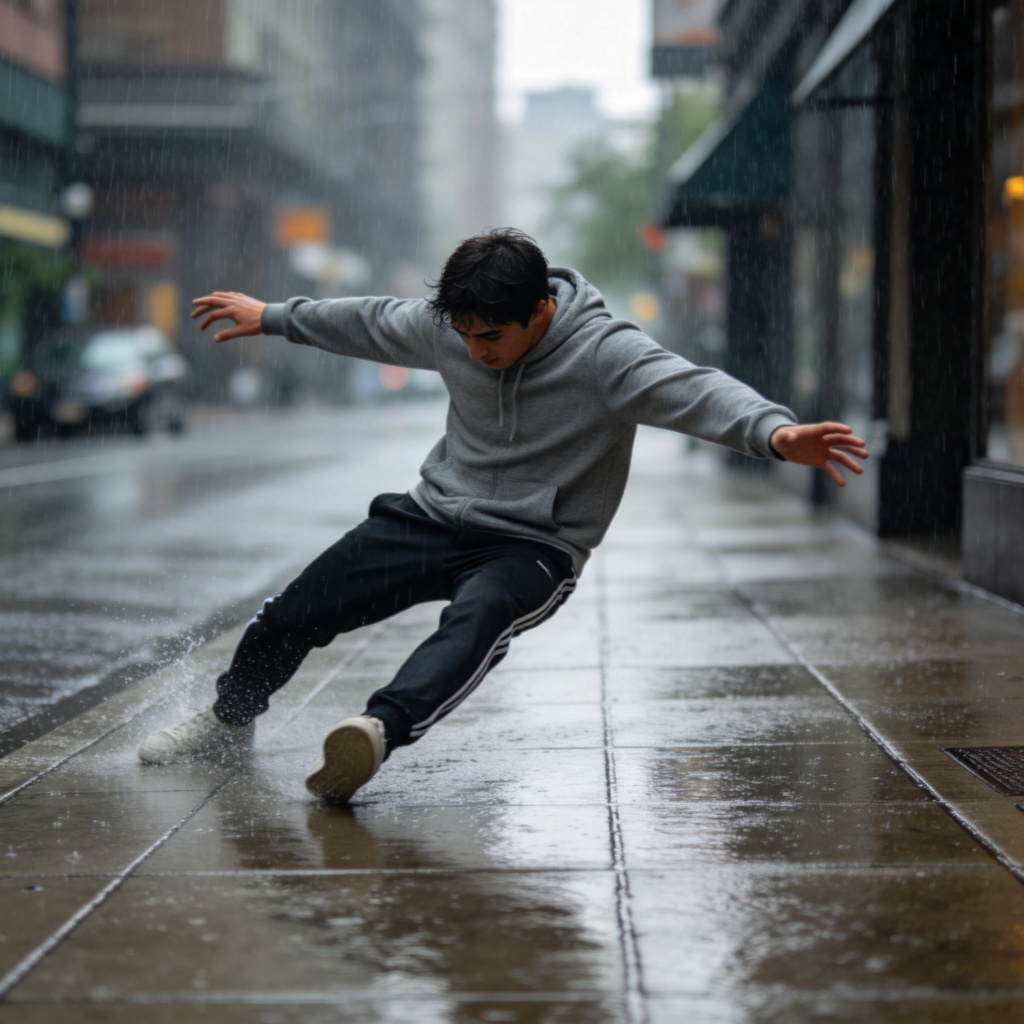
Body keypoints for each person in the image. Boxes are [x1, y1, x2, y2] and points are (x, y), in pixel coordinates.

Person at [138, 228, 868, 801]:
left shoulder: (605, 353)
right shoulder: (451, 328)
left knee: (477, 620)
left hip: (534, 544)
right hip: (435, 513)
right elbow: (367, 321)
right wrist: (271, 317)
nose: (476, 351)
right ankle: (228, 721)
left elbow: (696, 390)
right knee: (300, 606)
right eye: (465, 336)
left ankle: (373, 732)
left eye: (492, 337)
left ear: (540, 311)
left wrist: (774, 433)